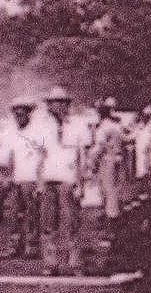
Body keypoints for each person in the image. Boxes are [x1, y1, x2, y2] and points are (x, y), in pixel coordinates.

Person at [31, 86, 90, 276]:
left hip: (68, 180)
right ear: (48, 106)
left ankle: (75, 264)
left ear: (67, 105)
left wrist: (80, 184)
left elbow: (82, 157)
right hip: (49, 180)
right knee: (48, 224)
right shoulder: (42, 127)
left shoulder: (78, 126)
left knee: (72, 223)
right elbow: (39, 157)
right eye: (53, 103)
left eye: (62, 103)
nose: (57, 106)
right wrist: (39, 182)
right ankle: (50, 263)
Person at [0, 96, 42, 259]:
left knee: (31, 214)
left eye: (22, 113)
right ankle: (13, 246)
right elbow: (9, 157)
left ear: (29, 113)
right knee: (11, 215)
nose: (19, 116)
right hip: (15, 179)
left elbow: (43, 157)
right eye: (16, 114)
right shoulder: (10, 133)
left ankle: (32, 247)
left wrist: (40, 180)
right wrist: (7, 176)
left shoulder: (37, 133)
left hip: (31, 178)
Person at [89, 97, 126, 239]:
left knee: (107, 190)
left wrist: (92, 162)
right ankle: (113, 219)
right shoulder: (116, 126)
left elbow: (99, 147)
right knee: (114, 190)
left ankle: (111, 226)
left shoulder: (103, 128)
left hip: (106, 160)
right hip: (117, 158)